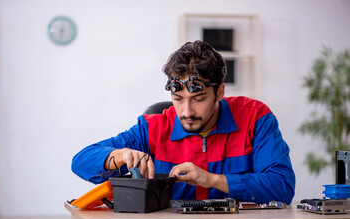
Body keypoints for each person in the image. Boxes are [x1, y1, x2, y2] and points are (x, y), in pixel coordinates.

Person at [72, 40, 295, 204]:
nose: (186, 111)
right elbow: (80, 162)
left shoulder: (255, 118)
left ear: (220, 92)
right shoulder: (154, 126)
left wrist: (212, 179)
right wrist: (118, 156)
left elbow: (282, 186)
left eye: (198, 99)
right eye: (178, 99)